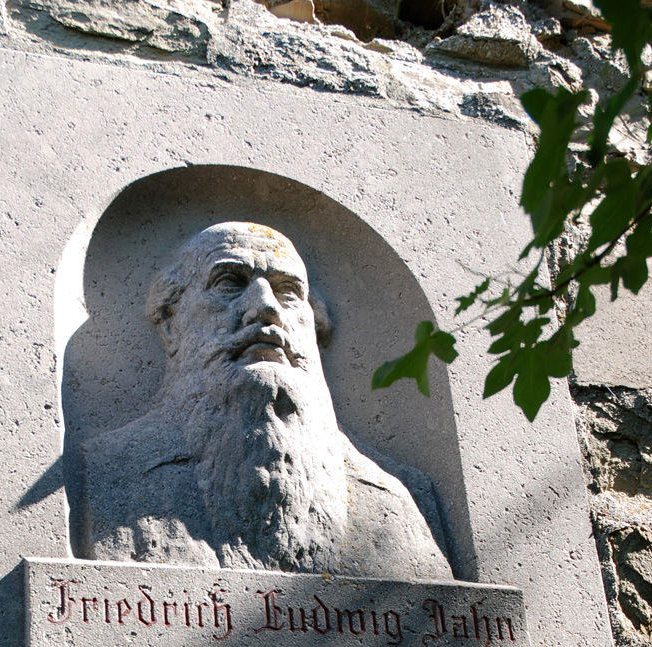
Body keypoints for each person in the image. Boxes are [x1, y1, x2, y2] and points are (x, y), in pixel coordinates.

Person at [74, 222, 453, 582]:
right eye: (229, 284)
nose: (264, 307)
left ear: (313, 323)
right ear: (171, 324)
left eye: (287, 291)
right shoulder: (110, 472)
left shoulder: (393, 503)